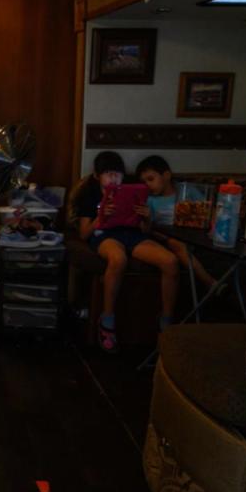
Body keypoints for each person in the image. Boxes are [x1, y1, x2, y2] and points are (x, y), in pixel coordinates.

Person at [76, 151, 179, 352]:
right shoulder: (90, 194)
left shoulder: (133, 190)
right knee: (118, 258)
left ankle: (166, 321)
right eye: (108, 174)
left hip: (134, 235)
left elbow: (145, 230)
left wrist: (147, 217)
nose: (113, 178)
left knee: (171, 262)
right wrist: (100, 216)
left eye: (117, 174)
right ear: (97, 176)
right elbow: (83, 233)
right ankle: (107, 320)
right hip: (104, 235)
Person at [134, 155, 217, 290]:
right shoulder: (150, 200)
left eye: (151, 179)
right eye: (144, 182)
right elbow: (148, 229)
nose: (147, 185)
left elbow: (208, 210)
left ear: (166, 175)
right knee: (174, 242)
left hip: (193, 234)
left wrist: (213, 227)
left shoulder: (185, 191)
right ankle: (211, 283)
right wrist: (148, 219)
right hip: (167, 238)